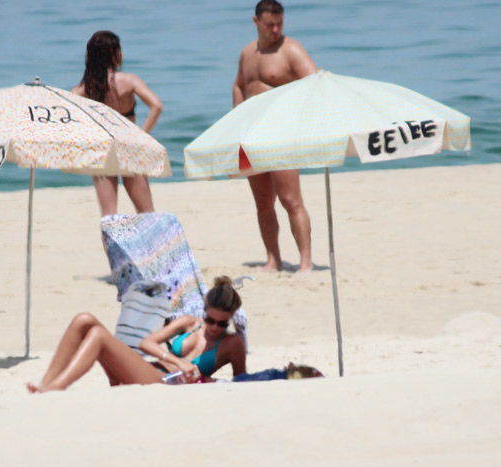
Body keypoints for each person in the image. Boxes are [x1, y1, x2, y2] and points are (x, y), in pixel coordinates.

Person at [27, 276, 246, 392]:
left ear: (231, 318)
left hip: (163, 384)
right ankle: (47, 382)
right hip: (148, 369)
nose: (215, 327)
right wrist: (179, 362)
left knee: (98, 335)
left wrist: (209, 380)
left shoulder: (233, 343)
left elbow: (241, 380)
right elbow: (146, 343)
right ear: (204, 311)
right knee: (84, 319)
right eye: (210, 320)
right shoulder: (190, 322)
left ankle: (56, 388)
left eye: (222, 323)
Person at [233, 0, 319, 274]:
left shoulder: (290, 50)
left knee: (290, 200)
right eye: (270, 24)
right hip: (251, 135)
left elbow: (315, 83)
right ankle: (274, 260)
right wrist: (236, 119)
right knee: (262, 203)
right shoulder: (248, 52)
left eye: (280, 23)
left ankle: (305, 262)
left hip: (282, 134)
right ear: (255, 21)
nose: (276, 29)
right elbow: (239, 84)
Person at [71, 31, 163, 217]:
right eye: (119, 50)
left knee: (109, 215)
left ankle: (112, 247)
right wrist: (142, 135)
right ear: (113, 52)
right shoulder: (129, 81)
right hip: (130, 147)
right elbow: (156, 106)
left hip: (103, 150)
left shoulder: (86, 87)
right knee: (147, 212)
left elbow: (66, 110)